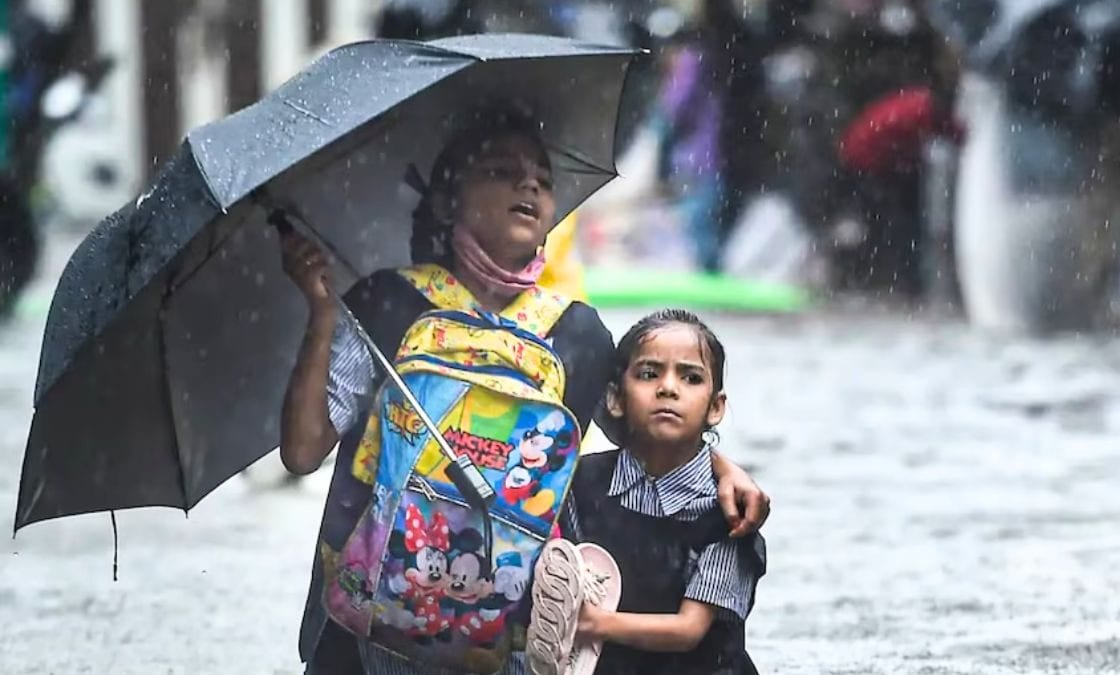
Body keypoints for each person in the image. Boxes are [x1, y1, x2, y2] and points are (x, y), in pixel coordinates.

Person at [277, 109, 771, 675]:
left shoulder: (577, 333)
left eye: (542, 177)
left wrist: (725, 469)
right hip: (365, 628)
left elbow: (654, 434)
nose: (529, 185)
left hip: (513, 632)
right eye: (500, 171)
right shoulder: (384, 306)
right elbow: (302, 451)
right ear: (446, 201)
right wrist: (321, 313)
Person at [527, 309, 765, 675]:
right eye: (649, 374)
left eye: (690, 377)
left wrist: (589, 623)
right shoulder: (580, 483)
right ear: (616, 399)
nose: (668, 387)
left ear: (715, 408)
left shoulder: (727, 512)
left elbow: (689, 630)